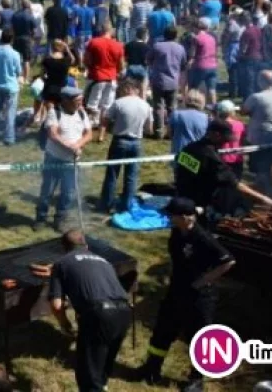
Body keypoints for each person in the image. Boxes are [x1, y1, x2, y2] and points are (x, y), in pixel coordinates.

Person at [139, 197, 236, 390]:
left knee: (198, 337)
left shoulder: (203, 238)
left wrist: (203, 281)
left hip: (199, 296)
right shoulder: (178, 230)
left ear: (184, 218)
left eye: (171, 215)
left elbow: (228, 261)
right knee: (163, 329)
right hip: (176, 289)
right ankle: (152, 368)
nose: (168, 218)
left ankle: (196, 379)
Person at [48, 229, 131, 392]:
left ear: (64, 248)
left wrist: (65, 325)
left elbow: (56, 305)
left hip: (99, 315)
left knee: (89, 375)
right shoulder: (104, 261)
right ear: (85, 245)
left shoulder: (61, 263)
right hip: (124, 312)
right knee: (103, 365)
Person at [174, 121, 272, 215]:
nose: (225, 143)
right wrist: (265, 199)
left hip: (181, 198)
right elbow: (235, 184)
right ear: (215, 135)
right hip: (197, 204)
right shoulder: (211, 157)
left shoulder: (189, 148)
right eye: (224, 139)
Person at [35, 86, 92, 231]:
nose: (80, 103)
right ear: (66, 101)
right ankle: (40, 218)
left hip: (72, 162)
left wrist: (78, 144)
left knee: (68, 193)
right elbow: (53, 134)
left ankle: (60, 219)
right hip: (53, 159)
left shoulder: (81, 113)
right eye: (77, 101)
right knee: (47, 191)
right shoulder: (54, 113)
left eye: (81, 100)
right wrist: (69, 146)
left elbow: (89, 134)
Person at [97, 79, 152, 214]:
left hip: (120, 141)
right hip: (136, 142)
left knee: (112, 174)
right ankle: (126, 206)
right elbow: (149, 129)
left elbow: (105, 120)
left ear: (127, 89)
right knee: (131, 176)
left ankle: (106, 204)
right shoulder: (146, 106)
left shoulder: (118, 103)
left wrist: (102, 135)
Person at [147, 26, 186, 139]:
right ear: (175, 35)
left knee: (158, 107)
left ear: (164, 35)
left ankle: (158, 131)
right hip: (173, 81)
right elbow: (183, 65)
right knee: (172, 108)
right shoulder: (180, 48)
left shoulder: (157, 46)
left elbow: (148, 60)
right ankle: (172, 132)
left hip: (158, 80)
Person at [0, 28, 22, 146]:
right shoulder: (15, 54)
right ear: (12, 39)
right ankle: (9, 138)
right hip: (10, 86)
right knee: (10, 114)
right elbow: (18, 71)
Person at [83, 26, 124, 125]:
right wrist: (116, 71)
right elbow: (121, 64)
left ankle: (92, 121)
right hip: (111, 77)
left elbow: (86, 59)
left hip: (96, 76)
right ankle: (103, 123)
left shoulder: (94, 42)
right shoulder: (118, 45)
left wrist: (89, 67)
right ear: (111, 32)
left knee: (92, 102)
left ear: (102, 30)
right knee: (106, 104)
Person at [168, 89, 209, 158]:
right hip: (197, 154)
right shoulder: (205, 118)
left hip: (179, 152)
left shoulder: (176, 114)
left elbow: (170, 133)